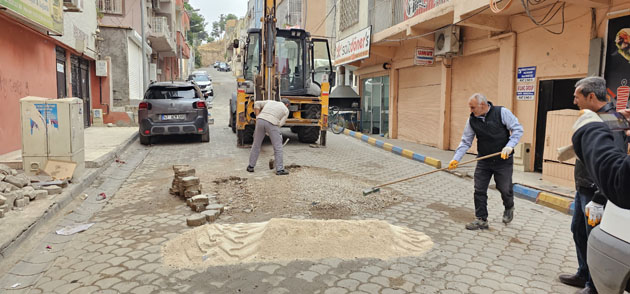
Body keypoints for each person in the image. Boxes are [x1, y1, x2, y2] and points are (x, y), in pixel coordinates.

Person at [558, 77, 627, 294]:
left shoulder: (613, 119)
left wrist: (598, 198)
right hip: (583, 187)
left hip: (596, 193)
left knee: (592, 237)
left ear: (590, 96)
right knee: (578, 230)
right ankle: (583, 273)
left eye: (577, 96)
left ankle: (593, 286)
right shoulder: (597, 117)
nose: (574, 100)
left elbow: (613, 162)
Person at [448, 93, 524, 230]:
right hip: (484, 160)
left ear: (482, 105)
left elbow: (518, 129)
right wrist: (455, 159)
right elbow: (466, 141)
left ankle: (509, 206)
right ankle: (481, 219)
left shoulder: (502, 112)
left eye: (472, 108)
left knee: (504, 188)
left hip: (503, 160)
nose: (470, 111)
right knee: (479, 189)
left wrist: (509, 146)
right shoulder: (472, 120)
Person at [247, 98, 290, 175]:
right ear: (287, 105)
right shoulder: (286, 110)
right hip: (272, 123)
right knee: (278, 147)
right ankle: (280, 169)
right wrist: (273, 131)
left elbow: (256, 103)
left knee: (256, 145)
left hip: (260, 120)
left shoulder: (270, 102)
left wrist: (257, 117)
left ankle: (250, 166)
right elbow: (280, 123)